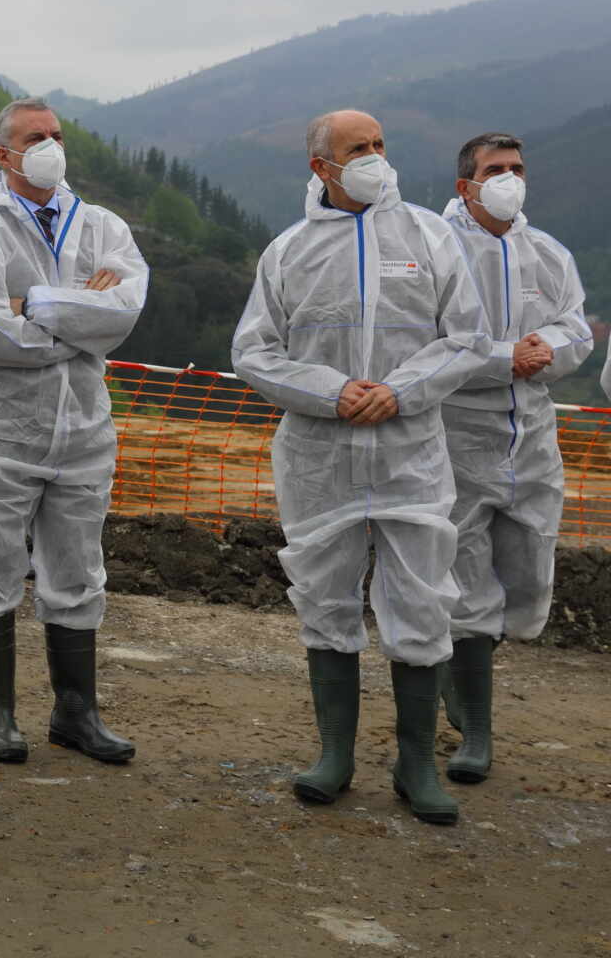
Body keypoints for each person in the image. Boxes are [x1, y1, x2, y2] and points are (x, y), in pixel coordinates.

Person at [232, 109, 491, 826]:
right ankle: (335, 756)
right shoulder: (288, 252)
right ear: (321, 167)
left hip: (411, 455)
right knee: (326, 598)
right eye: (357, 149)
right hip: (322, 458)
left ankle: (415, 764)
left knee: (422, 600)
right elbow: (255, 351)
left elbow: (467, 338)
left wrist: (398, 390)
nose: (376, 158)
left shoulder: (430, 237)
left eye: (380, 145)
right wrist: (331, 391)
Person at [0, 99, 148, 765]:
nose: (50, 146)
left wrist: (40, 304)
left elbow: (125, 309)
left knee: (77, 567)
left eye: (55, 135)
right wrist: (81, 317)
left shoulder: (103, 227)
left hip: (82, 427)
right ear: (4, 155)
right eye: (34, 138)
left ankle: (75, 713)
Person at [438, 132, 592, 782]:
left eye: (517, 168)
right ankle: (476, 727)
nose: (509, 178)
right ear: (464, 185)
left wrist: (545, 349)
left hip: (531, 442)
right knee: (467, 581)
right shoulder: (435, 252)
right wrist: (505, 358)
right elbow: (426, 341)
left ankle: (459, 663)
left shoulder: (548, 253)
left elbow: (577, 328)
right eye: (495, 169)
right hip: (455, 444)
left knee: (526, 580)